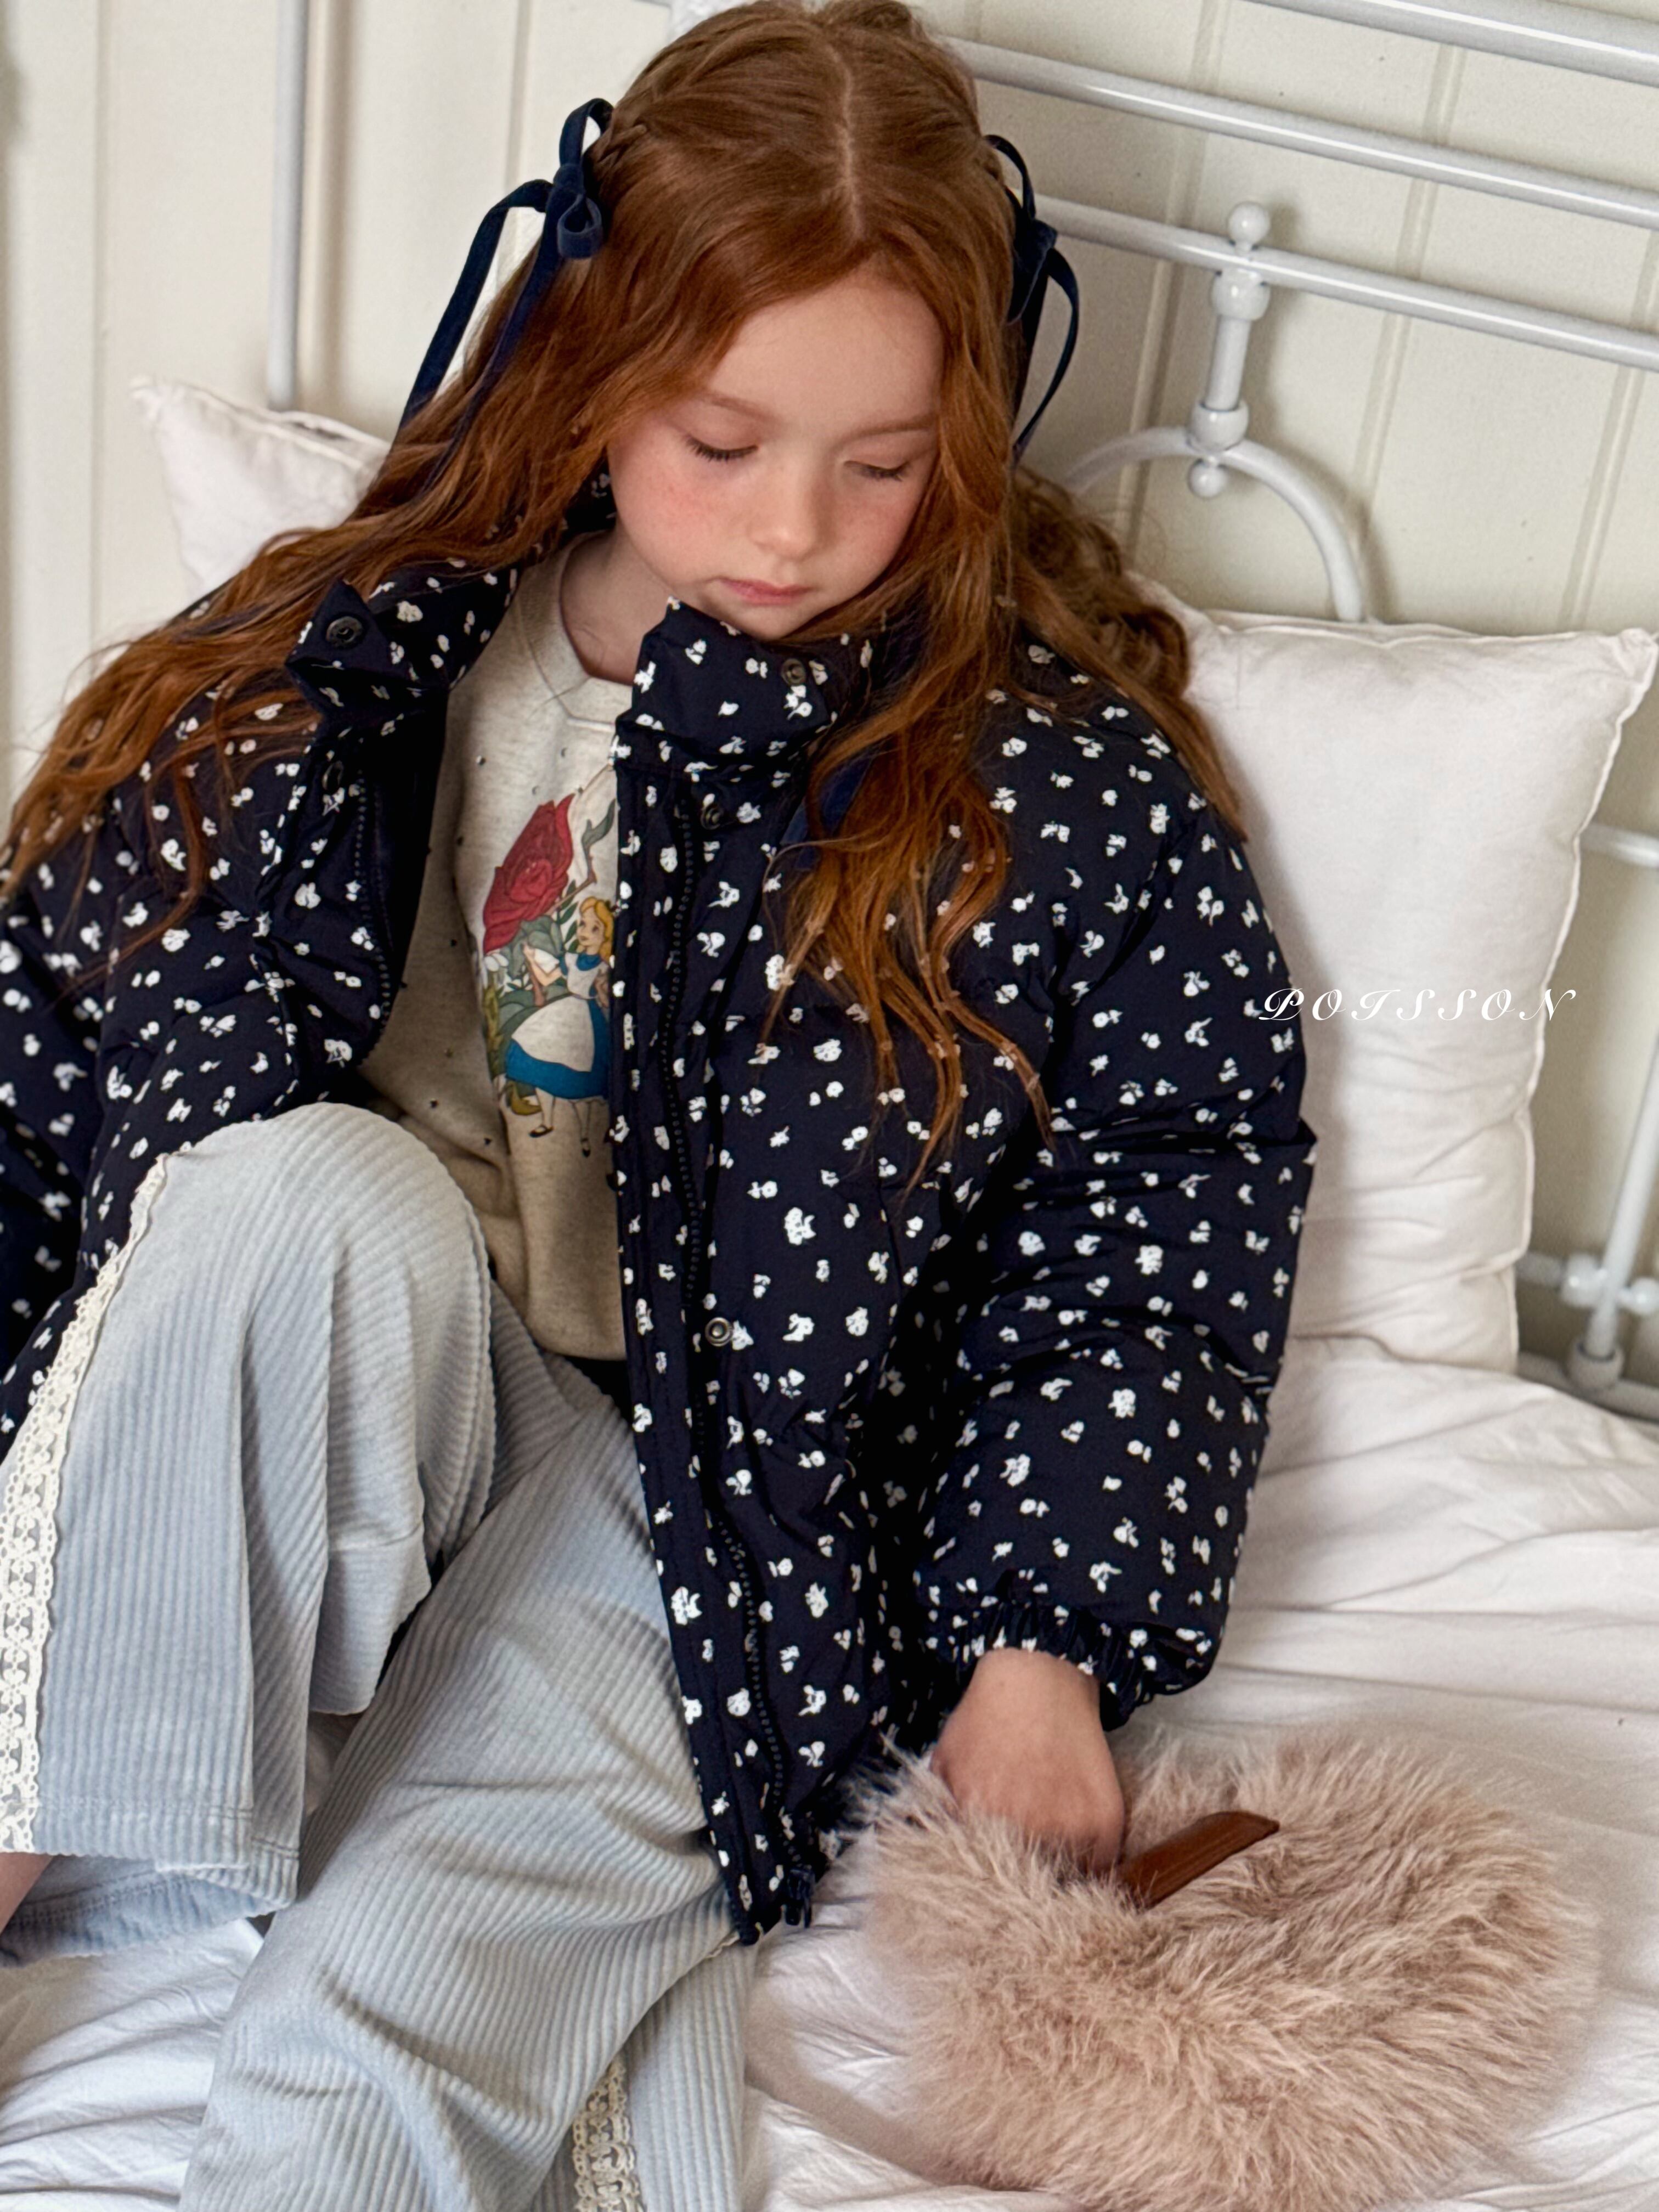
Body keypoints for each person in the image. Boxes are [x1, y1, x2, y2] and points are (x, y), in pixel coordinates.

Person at [0, 0, 1318, 2203]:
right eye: (721, 439)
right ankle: (34, 1826)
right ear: (595, 363)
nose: (796, 527)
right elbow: (57, 1065)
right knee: (286, 1192)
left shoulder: (1056, 800)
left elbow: (1157, 1221)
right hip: (342, 1404)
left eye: (882, 464)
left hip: (708, 1526)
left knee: (396, 2019)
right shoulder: (355, 656)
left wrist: (1041, 1650)